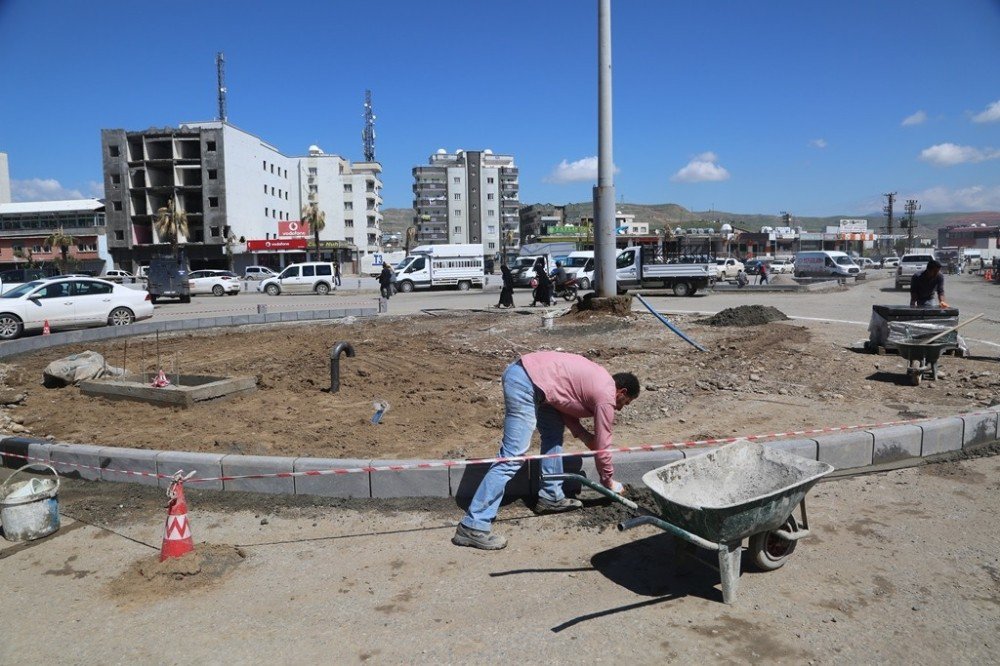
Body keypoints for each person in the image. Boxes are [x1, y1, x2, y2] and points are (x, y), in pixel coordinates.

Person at [452, 351, 640, 550]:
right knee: (512, 458)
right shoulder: (606, 395)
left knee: (553, 434)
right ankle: (473, 525)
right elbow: (603, 445)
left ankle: (550, 496)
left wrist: (584, 436)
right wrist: (607, 481)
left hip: (534, 381)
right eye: (624, 403)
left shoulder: (597, 381)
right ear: (622, 392)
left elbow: (563, 404)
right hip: (527, 382)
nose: (620, 409)